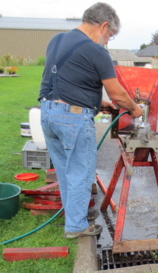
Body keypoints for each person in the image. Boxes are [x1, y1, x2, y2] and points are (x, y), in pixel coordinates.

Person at [39, 2, 142, 239]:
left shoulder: (56, 40)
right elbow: (117, 94)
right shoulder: (97, 51)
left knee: (66, 172)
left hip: (47, 112)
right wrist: (135, 110)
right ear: (104, 25)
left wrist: (98, 104)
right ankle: (76, 227)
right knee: (81, 174)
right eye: (110, 35)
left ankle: (74, 217)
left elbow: (69, 79)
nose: (107, 40)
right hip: (72, 119)